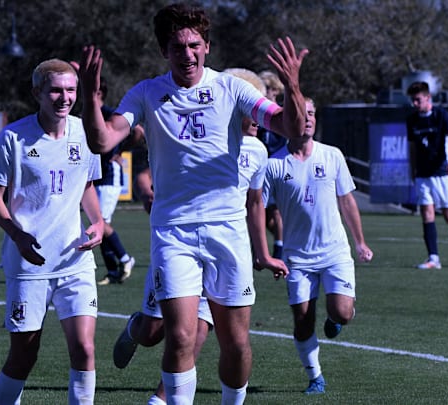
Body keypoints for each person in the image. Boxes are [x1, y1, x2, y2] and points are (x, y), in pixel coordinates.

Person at [76, 3, 307, 403]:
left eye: (194, 45)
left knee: (235, 344)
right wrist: (91, 99)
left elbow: (291, 127)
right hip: (174, 232)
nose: (187, 54)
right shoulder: (147, 92)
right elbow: (102, 141)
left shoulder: (232, 89)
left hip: (227, 232)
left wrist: (294, 87)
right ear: (165, 51)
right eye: (178, 46)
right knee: (179, 336)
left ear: (207, 47)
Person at [111, 67, 282, 405]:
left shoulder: (259, 152)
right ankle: (136, 327)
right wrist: (148, 192)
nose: (256, 116)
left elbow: (255, 202)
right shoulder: (200, 123)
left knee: (197, 332)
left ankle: (163, 399)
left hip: (224, 245)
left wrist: (262, 253)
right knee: (153, 333)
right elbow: (145, 171)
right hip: (177, 238)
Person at [0, 58, 104, 405]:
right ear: (37, 92)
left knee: (84, 348)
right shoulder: (13, 137)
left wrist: (96, 223)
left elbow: (87, 186)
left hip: (75, 260)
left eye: (70, 90)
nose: (64, 97)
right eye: (55, 90)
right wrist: (17, 235)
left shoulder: (85, 132)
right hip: (29, 264)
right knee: (24, 356)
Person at [264, 97, 374, 395]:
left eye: (312, 113)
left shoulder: (332, 155)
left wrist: (360, 242)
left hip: (335, 252)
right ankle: (315, 377)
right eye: (303, 113)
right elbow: (255, 208)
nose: (309, 118)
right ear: (288, 119)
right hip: (297, 257)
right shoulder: (273, 163)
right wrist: (264, 254)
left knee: (343, 313)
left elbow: (347, 200)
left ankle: (336, 316)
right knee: (302, 320)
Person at [406, 81, 448, 269]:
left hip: (442, 173)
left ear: (428, 97)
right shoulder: (411, 120)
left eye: (418, 99)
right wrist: (413, 170)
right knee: (427, 214)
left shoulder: (442, 115)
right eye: (412, 100)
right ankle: (433, 258)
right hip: (423, 175)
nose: (414, 103)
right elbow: (412, 148)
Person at [95, 77, 136, 285]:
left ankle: (125, 259)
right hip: (95, 175)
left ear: (99, 92)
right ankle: (113, 271)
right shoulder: (89, 115)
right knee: (99, 223)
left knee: (100, 223)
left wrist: (121, 150)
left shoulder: (109, 113)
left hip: (110, 174)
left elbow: (137, 131)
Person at [258, 71, 287, 259]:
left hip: (276, 167)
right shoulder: (257, 114)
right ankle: (259, 247)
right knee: (260, 212)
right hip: (259, 168)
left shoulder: (281, 114)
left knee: (276, 212)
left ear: (275, 91)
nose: (265, 92)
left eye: (268, 88)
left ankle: (279, 249)